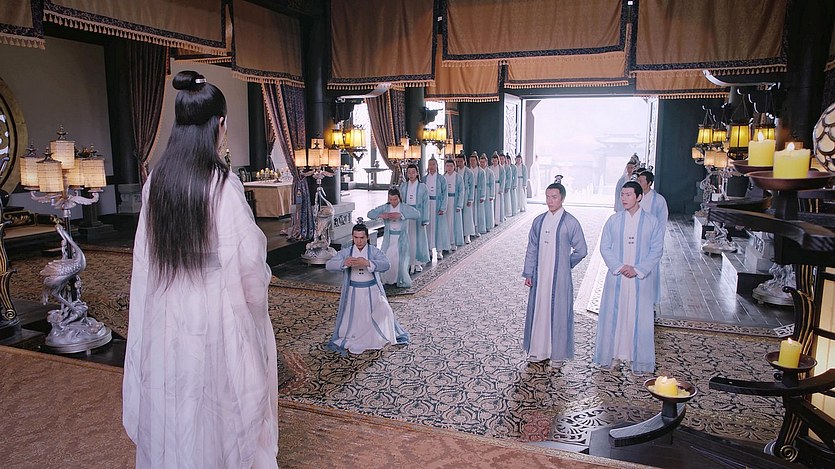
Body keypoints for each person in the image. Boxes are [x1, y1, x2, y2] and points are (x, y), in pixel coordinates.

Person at [123, 71, 278, 468]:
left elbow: (144, 256)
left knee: (176, 394)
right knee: (218, 401)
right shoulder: (222, 184)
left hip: (167, 304)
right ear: (219, 124)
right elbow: (248, 262)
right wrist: (255, 310)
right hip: (213, 309)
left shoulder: (157, 181)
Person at [594, 181, 664, 374]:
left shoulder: (652, 222)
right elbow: (605, 247)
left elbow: (656, 250)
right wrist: (619, 266)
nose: (623, 198)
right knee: (614, 317)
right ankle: (613, 356)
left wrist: (638, 269)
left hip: (640, 279)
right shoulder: (614, 220)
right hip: (617, 277)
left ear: (639, 197)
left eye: (628, 195)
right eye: (622, 195)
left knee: (638, 318)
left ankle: (637, 359)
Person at [522, 181, 587, 364]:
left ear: (562, 198)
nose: (550, 201)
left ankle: (557, 354)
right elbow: (531, 248)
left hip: (559, 278)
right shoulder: (539, 221)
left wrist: (566, 264)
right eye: (548, 197)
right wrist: (529, 273)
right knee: (539, 309)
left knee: (559, 313)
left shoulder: (570, 222)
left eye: (554, 197)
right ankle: (537, 349)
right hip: (540, 275)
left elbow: (581, 250)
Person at [325, 223, 409, 354]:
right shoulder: (347, 252)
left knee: (382, 311)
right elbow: (329, 265)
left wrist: (368, 263)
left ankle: (377, 334)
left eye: (362, 238)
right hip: (353, 291)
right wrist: (344, 263)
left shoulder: (374, 251)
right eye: (356, 237)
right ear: (352, 237)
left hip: (372, 290)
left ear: (367, 237)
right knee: (355, 319)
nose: (358, 241)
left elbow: (386, 264)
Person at [368, 188, 421, 287]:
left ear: (399, 198)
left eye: (395, 199)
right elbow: (370, 214)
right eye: (391, 199)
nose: (393, 202)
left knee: (399, 259)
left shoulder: (404, 207)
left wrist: (401, 215)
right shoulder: (385, 207)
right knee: (388, 257)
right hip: (389, 237)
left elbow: (417, 214)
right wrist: (382, 215)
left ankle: (399, 279)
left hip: (401, 238)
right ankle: (387, 279)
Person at [636, 169, 669, 311]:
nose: (638, 182)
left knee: (650, 268)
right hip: (636, 239)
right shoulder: (636, 197)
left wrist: (657, 241)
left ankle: (650, 299)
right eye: (638, 180)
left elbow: (662, 222)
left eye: (641, 181)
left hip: (651, 239)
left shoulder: (659, 200)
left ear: (649, 183)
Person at [399, 164, 430, 273]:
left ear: (417, 173)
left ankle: (417, 262)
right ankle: (407, 262)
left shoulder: (423, 187)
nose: (411, 175)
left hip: (418, 215)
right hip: (407, 216)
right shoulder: (403, 186)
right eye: (409, 172)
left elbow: (426, 204)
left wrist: (425, 218)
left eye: (413, 172)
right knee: (407, 239)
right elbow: (400, 202)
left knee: (418, 239)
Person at [423, 158, 449, 259]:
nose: (431, 167)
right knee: (428, 227)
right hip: (427, 205)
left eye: (433, 164)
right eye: (430, 164)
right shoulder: (424, 179)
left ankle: (439, 250)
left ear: (437, 165)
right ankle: (428, 250)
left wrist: (443, 207)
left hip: (437, 204)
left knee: (438, 228)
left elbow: (445, 194)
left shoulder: (441, 179)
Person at [444, 159, 465, 250]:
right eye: (447, 166)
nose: (449, 168)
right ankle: (446, 242)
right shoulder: (443, 177)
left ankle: (454, 242)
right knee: (446, 222)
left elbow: (461, 191)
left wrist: (459, 204)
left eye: (451, 166)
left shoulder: (458, 177)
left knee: (454, 222)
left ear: (454, 167)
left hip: (454, 200)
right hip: (446, 201)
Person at [457, 154, 476, 243]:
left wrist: (470, 199)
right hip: (457, 195)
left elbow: (472, 186)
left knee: (467, 215)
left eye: (461, 161)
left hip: (466, 195)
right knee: (458, 216)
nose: (459, 163)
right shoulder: (455, 171)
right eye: (458, 161)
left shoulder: (469, 172)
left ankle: (467, 235)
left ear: (464, 161)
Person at [471, 152, 487, 235]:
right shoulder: (468, 170)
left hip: (478, 191)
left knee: (478, 212)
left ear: (477, 161)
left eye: (474, 160)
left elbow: (483, 185)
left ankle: (478, 229)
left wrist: (482, 196)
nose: (472, 162)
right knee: (470, 212)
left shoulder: (481, 171)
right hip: (470, 192)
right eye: (471, 160)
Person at [481, 153, 495, 231]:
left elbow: (492, 184)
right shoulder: (479, 171)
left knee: (488, 209)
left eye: (483, 162)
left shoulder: (490, 172)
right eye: (481, 162)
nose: (482, 163)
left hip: (488, 190)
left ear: (486, 162)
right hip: (481, 190)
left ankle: (488, 225)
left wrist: (491, 195)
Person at [492, 152, 504, 225]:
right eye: (493, 161)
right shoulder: (490, 168)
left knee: (498, 203)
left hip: (498, 185)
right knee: (492, 203)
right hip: (492, 186)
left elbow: (503, 179)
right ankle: (492, 219)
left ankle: (497, 219)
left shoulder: (501, 168)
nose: (494, 162)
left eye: (496, 161)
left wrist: (501, 188)